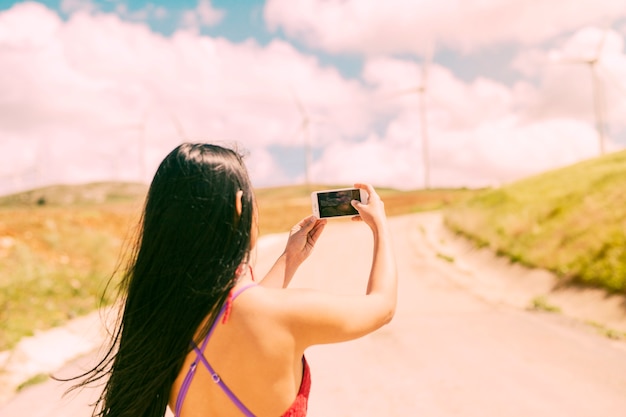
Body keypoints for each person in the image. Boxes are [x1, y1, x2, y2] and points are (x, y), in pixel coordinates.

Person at [73, 143, 397, 417]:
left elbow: (237, 318)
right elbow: (381, 307)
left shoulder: (162, 326)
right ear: (240, 207)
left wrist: (290, 258)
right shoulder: (284, 314)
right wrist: (380, 226)